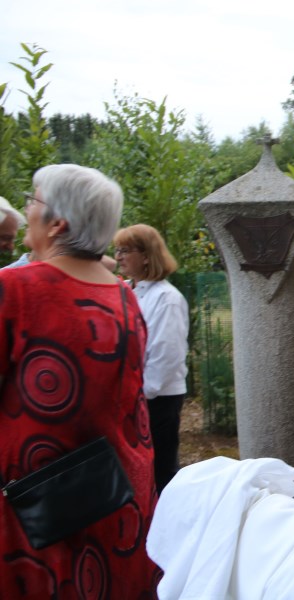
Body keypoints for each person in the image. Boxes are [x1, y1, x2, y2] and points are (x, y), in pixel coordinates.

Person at [0, 164, 159, 594]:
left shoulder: (15, 290)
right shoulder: (124, 297)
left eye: (32, 200)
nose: (26, 209)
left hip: (34, 514)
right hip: (114, 499)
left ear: (58, 223)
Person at [113, 224, 190, 491]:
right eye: (117, 250)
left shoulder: (166, 298)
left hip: (157, 399)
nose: (119, 256)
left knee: (160, 468)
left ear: (146, 256)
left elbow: (166, 354)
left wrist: (141, 394)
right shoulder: (128, 291)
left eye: (126, 250)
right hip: (136, 396)